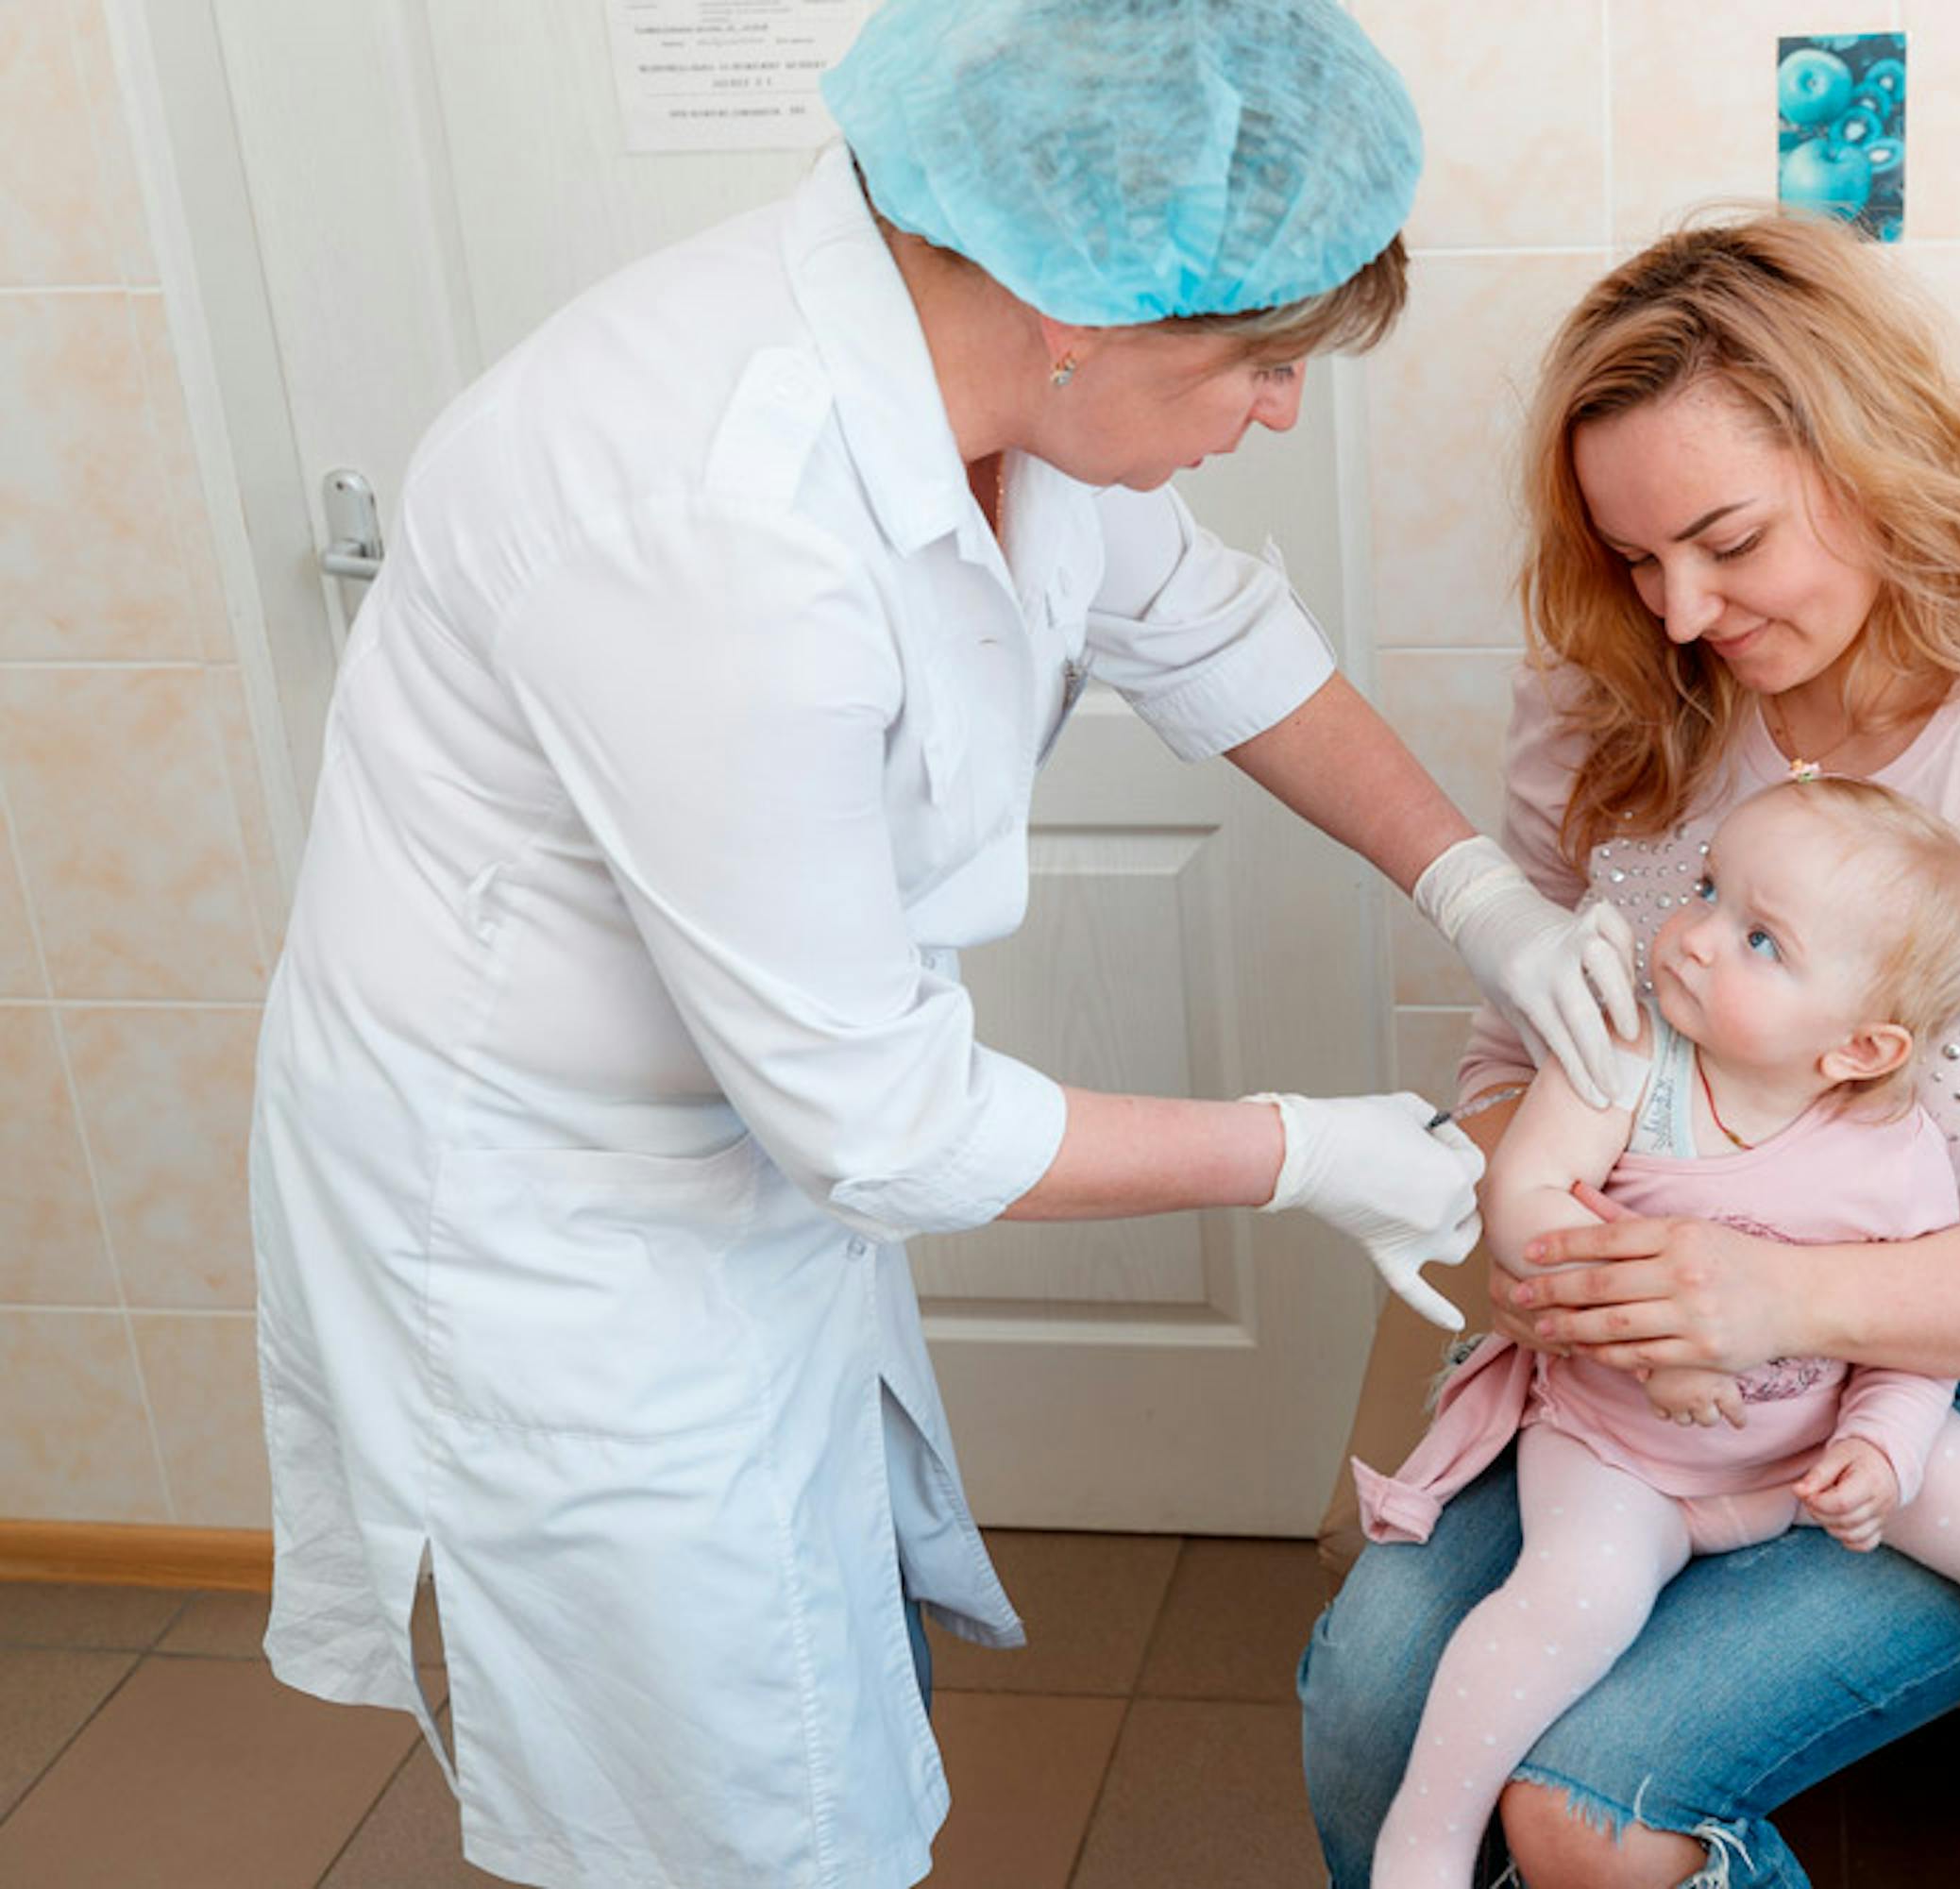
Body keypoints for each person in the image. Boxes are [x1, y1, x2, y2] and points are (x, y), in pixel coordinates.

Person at [246, 6, 1636, 1886]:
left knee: (819, 1701)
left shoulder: (1005, 369)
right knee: (721, 1804)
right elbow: (888, 1124)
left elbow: (1216, 633)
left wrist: (1484, 894)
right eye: (1260, 359)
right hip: (550, 1222)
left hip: (747, 1140)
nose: (1284, 407)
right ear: (1085, 306)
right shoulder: (715, 516)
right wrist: (1312, 1149)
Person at [1299, 210, 1960, 1889]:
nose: (1680, 610)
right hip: (1633, 1385)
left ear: (1874, 456)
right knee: (1375, 1698)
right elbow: (1505, 1055)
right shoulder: (1620, 693)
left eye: (1728, 539)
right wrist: (1560, 1239)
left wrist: (1784, 1304)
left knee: (1584, 1815)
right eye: (1633, 558)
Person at [1354, 778, 1960, 1886]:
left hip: (1807, 1441)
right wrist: (1658, 1347)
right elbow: (1527, 1204)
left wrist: (1881, 1450)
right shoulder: (1627, 1063)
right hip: (1623, 1455)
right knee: (1567, 1601)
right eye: (1706, 892)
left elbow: (1913, 1335)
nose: (1692, 940)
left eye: (1759, 939)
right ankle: (1427, 1839)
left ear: (1857, 1047)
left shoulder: (1893, 1154)